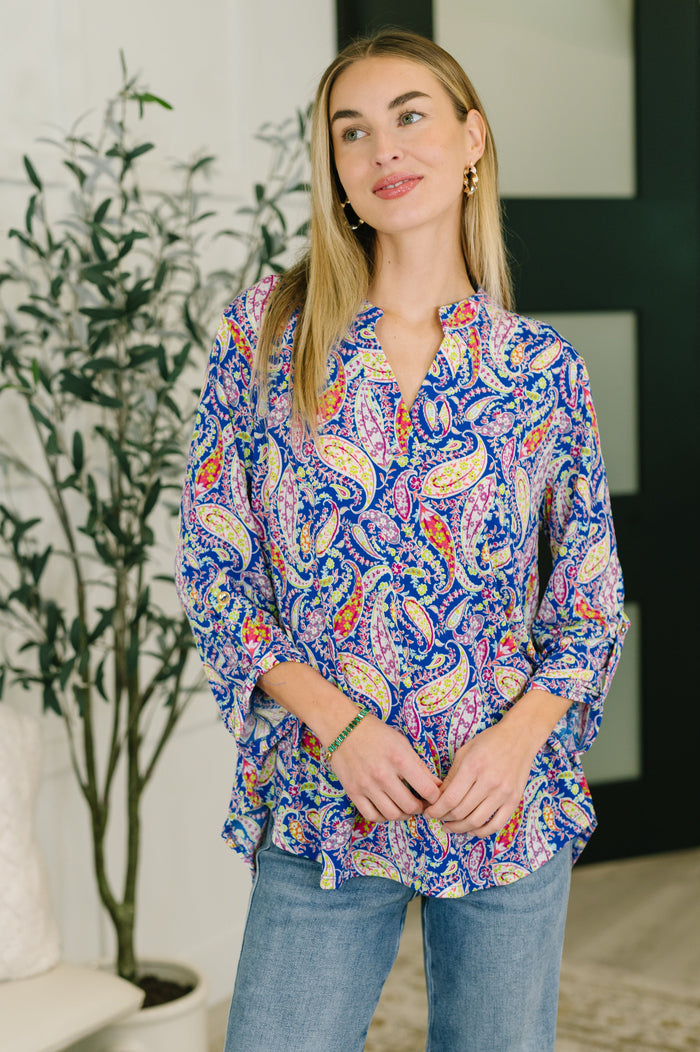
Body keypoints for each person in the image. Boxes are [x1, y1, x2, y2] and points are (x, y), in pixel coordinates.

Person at [175, 28, 628, 1052]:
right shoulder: (267, 336)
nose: (383, 147)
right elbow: (216, 572)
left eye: (409, 115)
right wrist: (339, 727)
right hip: (326, 803)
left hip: (503, 803)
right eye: (352, 131)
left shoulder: (538, 370)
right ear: (334, 169)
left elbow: (589, 604)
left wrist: (516, 744)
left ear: (471, 138)